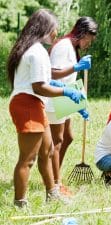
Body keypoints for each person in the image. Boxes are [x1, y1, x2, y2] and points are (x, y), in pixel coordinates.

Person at [7, 9, 85, 207]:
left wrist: (63, 86)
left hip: (34, 103)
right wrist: (66, 92)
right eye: (53, 29)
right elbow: (39, 86)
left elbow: (46, 79)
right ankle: (20, 203)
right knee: (28, 159)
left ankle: (52, 193)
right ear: (43, 28)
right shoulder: (36, 51)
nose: (56, 33)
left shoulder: (32, 48)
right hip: (27, 104)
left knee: (48, 151)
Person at [45, 17, 98, 196]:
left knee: (68, 137)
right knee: (57, 141)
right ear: (81, 33)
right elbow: (51, 73)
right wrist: (76, 67)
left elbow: (68, 80)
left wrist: (80, 103)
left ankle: (54, 175)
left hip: (64, 95)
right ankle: (55, 184)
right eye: (88, 40)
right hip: (53, 97)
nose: (88, 44)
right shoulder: (63, 46)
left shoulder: (72, 48)